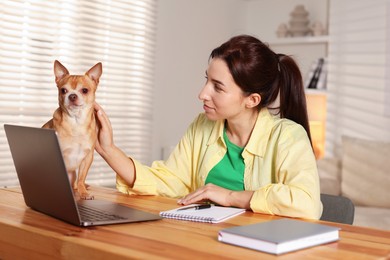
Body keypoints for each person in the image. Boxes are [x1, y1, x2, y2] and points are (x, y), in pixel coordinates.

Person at [94, 34, 323, 220]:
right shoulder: (203, 126)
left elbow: (307, 203)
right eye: (207, 80)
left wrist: (231, 196)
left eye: (218, 87)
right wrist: (108, 150)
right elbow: (170, 180)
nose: (202, 94)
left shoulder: (288, 137)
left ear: (251, 100)